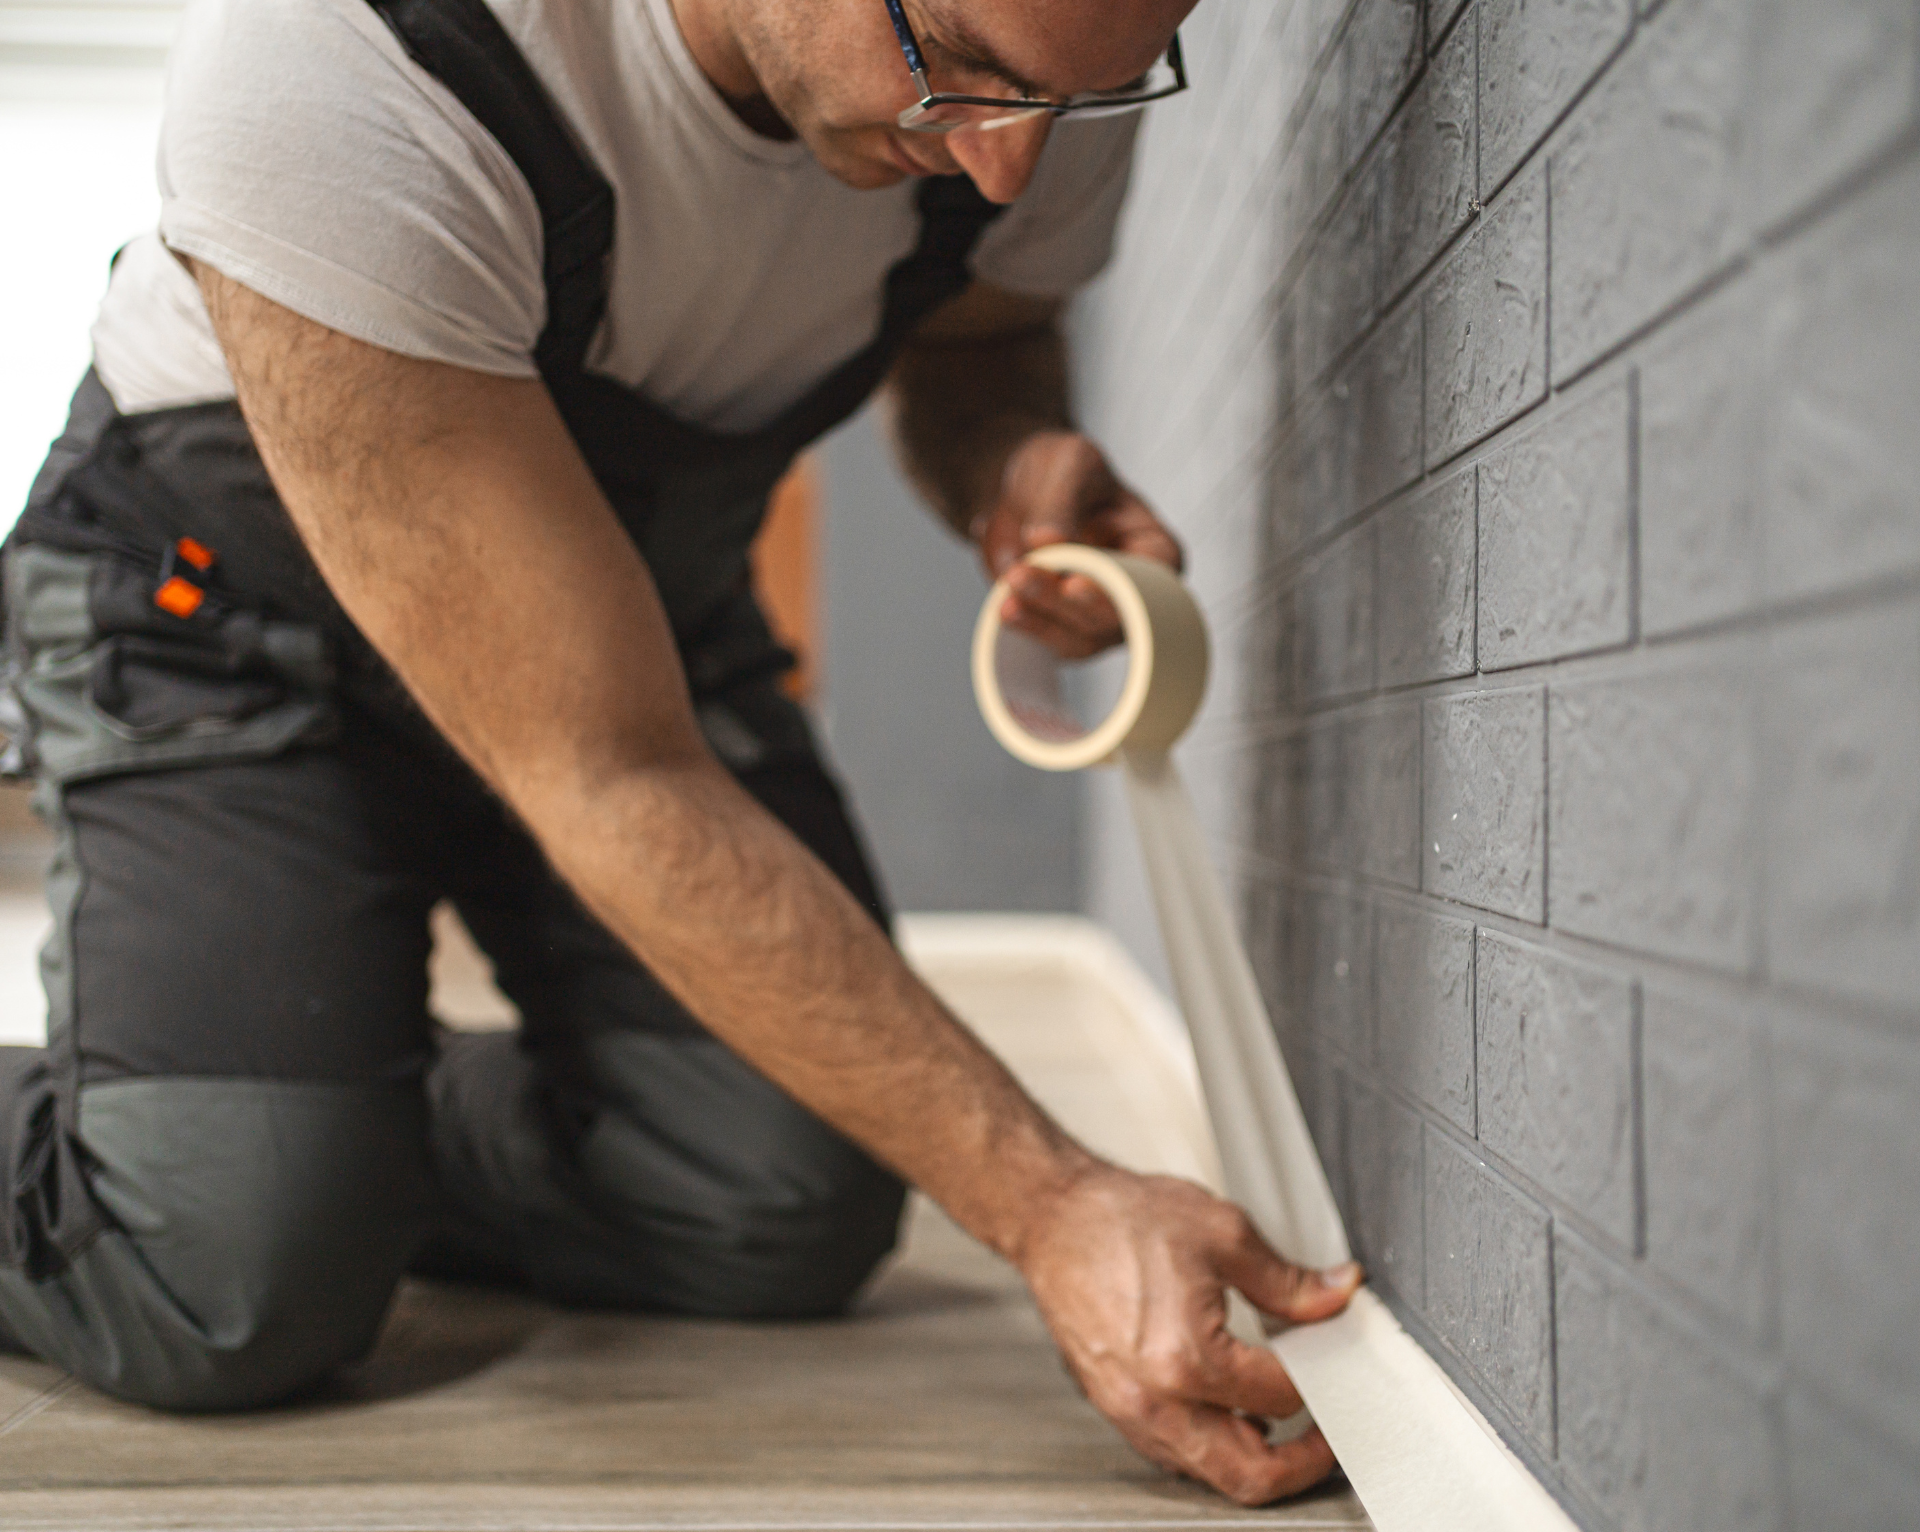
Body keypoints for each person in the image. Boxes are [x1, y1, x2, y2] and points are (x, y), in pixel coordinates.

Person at [0, 0, 1359, 1504]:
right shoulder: (345, 66)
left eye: (1072, 103)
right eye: (959, 69)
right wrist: (1052, 1203)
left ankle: (303, 1121)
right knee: (216, 1280)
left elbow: (987, 332)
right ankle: (239, 1157)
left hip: (632, 616)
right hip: (231, 623)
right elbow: (606, 769)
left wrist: (1007, 460)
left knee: (773, 1203)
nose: (1007, 166)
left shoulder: (1034, 65)